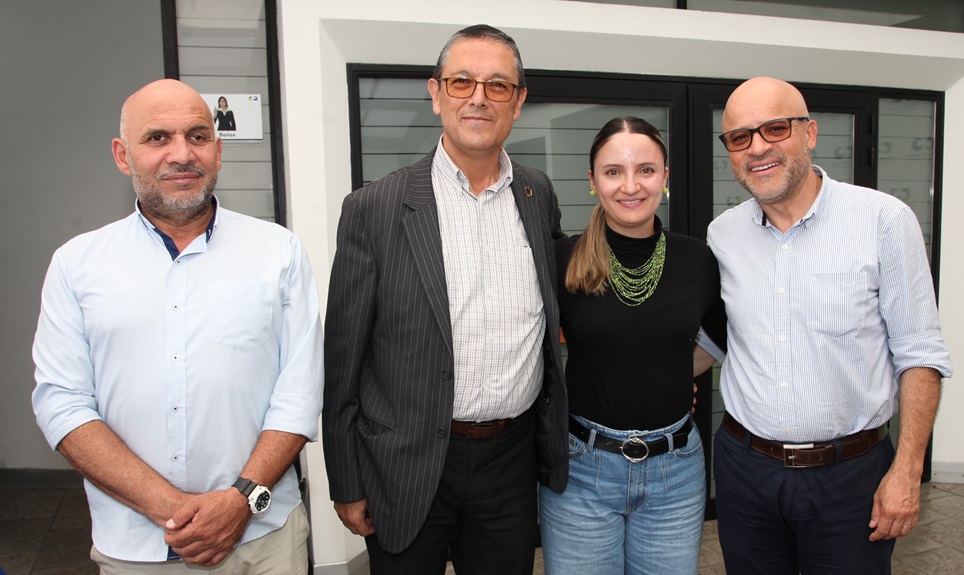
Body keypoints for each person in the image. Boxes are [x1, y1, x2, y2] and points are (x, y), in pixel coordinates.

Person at [32, 79, 324, 573]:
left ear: (217, 151)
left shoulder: (277, 251)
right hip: (136, 546)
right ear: (123, 155)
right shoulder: (77, 264)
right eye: (157, 138)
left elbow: (300, 391)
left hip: (263, 540)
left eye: (197, 136)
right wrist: (173, 510)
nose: (182, 154)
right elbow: (62, 403)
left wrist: (239, 501)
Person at [323, 24, 568, 575]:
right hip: (404, 464)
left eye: (498, 85)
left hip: (510, 461)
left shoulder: (538, 194)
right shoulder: (374, 208)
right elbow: (343, 360)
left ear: (518, 102)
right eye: (462, 82)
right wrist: (347, 479)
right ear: (436, 94)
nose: (479, 97)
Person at [707, 76, 953, 574]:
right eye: (740, 137)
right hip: (746, 471)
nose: (758, 147)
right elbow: (717, 336)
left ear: (810, 133)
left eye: (775, 128)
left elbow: (920, 353)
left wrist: (907, 471)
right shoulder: (723, 234)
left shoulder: (883, 220)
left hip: (850, 477)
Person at [538, 117, 726, 575]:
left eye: (645, 170)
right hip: (581, 470)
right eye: (613, 172)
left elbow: (720, 338)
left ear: (664, 177)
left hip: (675, 472)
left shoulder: (697, 259)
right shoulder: (562, 259)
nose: (630, 186)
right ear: (592, 181)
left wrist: (672, 375)